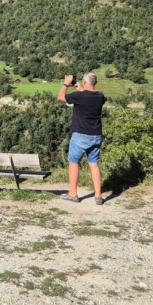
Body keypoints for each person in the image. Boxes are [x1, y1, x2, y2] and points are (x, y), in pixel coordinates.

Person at [58, 72, 106, 205]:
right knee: (94, 164)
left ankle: (73, 194)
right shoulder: (101, 97)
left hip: (80, 135)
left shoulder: (79, 96)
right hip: (96, 135)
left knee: (74, 162)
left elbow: (61, 96)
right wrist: (80, 88)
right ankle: (98, 196)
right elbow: (89, 97)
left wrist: (66, 83)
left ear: (85, 82)